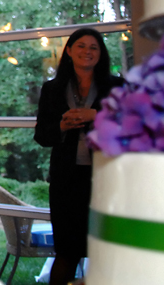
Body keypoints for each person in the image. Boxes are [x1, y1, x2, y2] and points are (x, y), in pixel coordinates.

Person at [34, 28, 122, 285]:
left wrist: (96, 116)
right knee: (67, 253)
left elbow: (132, 126)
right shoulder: (52, 89)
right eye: (81, 46)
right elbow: (41, 136)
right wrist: (62, 126)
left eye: (94, 47)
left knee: (107, 251)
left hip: (106, 180)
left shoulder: (117, 87)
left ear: (100, 53)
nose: (87, 51)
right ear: (69, 51)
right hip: (66, 183)